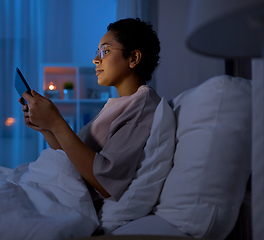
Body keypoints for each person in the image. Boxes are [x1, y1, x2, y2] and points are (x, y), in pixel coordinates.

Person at [19, 18, 161, 202]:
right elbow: (72, 161)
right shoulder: (120, 105)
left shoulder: (142, 106)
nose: (96, 59)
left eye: (106, 51)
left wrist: (56, 122)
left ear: (133, 58)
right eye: (98, 52)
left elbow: (106, 182)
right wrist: (46, 127)